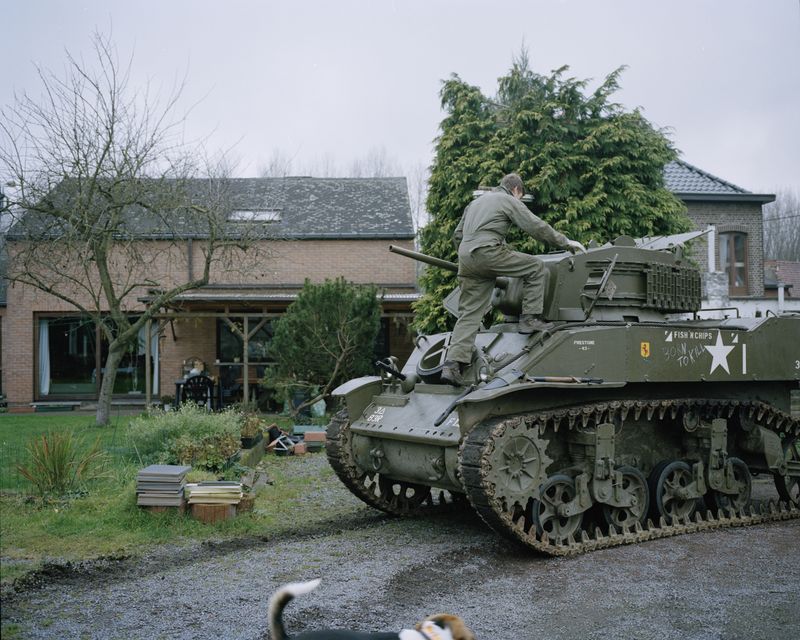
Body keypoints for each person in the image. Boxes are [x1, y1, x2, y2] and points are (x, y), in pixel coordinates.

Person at [441, 173, 586, 386]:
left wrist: (471, 258)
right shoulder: (507, 200)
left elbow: (457, 236)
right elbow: (535, 226)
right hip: (487, 251)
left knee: (469, 313)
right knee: (536, 267)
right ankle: (530, 319)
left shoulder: (475, 203)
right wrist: (565, 243)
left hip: (467, 257)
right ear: (517, 190)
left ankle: (452, 365)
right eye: (521, 196)